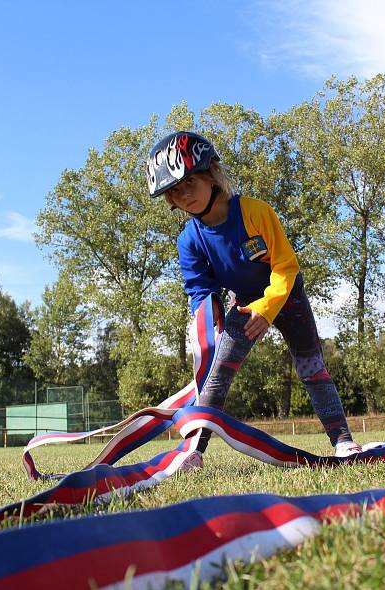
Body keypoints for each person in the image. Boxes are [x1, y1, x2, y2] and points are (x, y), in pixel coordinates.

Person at [145, 131, 362, 457]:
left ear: (211, 175)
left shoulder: (256, 212)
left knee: (312, 369)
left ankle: (343, 442)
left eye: (190, 182)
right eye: (175, 192)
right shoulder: (188, 240)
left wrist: (268, 308)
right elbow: (198, 288)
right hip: (244, 305)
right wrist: (208, 312)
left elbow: (286, 267)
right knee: (215, 377)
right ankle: (193, 453)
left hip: (287, 298)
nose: (185, 195)